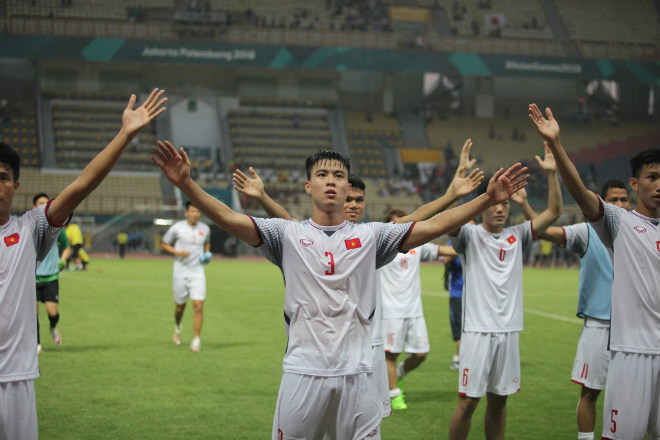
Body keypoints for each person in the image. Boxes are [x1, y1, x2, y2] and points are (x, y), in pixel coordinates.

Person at [152, 141, 529, 440]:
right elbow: (227, 217)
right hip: (302, 374)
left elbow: (429, 227)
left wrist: (484, 199)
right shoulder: (286, 234)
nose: (331, 180)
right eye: (322, 174)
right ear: (309, 185)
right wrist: (186, 183)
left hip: (358, 376)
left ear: (349, 187)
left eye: (339, 175)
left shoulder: (372, 236)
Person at [233, 139, 483, 419]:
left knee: (367, 421)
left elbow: (420, 220)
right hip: (330, 349)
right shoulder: (312, 235)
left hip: (368, 343)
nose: (352, 205)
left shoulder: (372, 236)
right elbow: (288, 227)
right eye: (349, 199)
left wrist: (451, 195)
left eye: (358, 200)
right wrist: (264, 199)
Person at [0, 88, 167, 440]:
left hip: (15, 378)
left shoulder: (30, 229)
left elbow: (81, 186)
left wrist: (124, 135)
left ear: (16, 185)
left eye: (2, 176)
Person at [529, 103, 660, 440]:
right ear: (635, 183)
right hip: (632, 352)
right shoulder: (620, 222)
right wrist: (556, 146)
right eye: (653, 177)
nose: (659, 185)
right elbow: (580, 193)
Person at [448, 142, 562, 440]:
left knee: (499, 401)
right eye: (494, 203)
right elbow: (445, 221)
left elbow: (553, 212)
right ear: (485, 203)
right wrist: (459, 177)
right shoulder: (469, 235)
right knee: (468, 401)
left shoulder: (519, 235)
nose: (499, 209)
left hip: (509, 331)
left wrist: (552, 175)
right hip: (477, 332)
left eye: (505, 204)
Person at [517, 180, 630, 440]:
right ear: (602, 203)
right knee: (590, 393)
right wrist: (524, 203)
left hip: (632, 327)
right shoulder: (588, 232)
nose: (621, 205)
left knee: (630, 395)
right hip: (598, 326)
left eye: (625, 199)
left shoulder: (637, 233)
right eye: (614, 199)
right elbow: (544, 231)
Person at [380, 208, 457, 411]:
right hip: (390, 310)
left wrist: (468, 242)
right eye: (395, 224)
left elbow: (447, 251)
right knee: (390, 354)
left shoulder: (417, 247)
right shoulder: (383, 248)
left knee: (421, 354)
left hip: (414, 310)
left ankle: (400, 375)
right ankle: (394, 394)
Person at [161, 201, 212, 353]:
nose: (195, 214)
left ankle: (196, 340)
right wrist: (178, 253)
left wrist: (207, 254)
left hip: (197, 272)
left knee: (198, 306)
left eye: (197, 211)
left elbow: (207, 243)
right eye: (192, 211)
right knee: (180, 307)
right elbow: (164, 243)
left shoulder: (205, 229)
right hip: (180, 272)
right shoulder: (177, 228)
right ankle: (178, 327)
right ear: (186, 212)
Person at [33, 192, 71, 355]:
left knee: (52, 313)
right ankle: (37, 345)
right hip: (31, 278)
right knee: (32, 314)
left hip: (51, 276)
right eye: (40, 203)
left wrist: (62, 260)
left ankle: (53, 326)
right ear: (34, 207)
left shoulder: (57, 227)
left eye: (46, 203)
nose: (43, 205)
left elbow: (67, 247)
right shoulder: (28, 227)